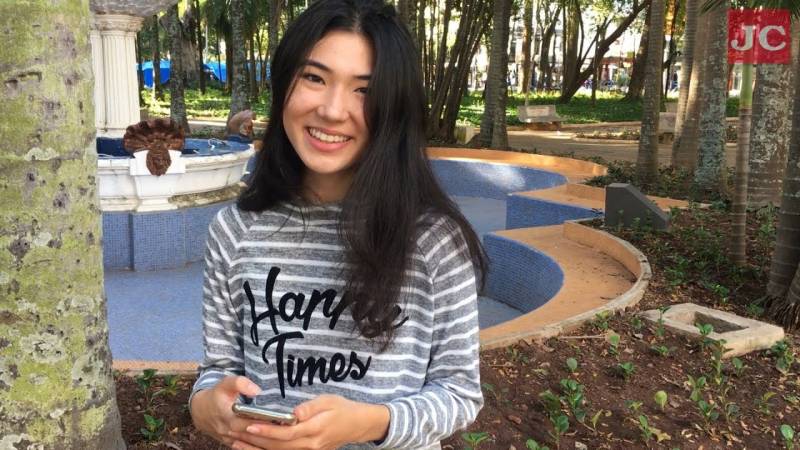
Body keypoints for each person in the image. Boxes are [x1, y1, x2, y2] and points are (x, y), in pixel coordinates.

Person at [188, 1, 487, 449]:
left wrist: (369, 424)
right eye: (314, 78)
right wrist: (205, 406)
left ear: (395, 108)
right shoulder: (234, 231)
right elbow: (218, 370)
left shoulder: (433, 240)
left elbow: (459, 392)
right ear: (284, 84)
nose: (332, 110)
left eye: (364, 90)